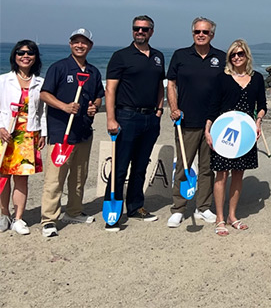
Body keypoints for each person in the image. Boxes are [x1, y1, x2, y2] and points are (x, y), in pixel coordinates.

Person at [39, 29, 104, 238]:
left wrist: (94, 106)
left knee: (78, 177)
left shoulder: (93, 72)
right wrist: (64, 107)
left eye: (84, 43)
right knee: (55, 177)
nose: (80, 45)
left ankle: (74, 211)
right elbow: (44, 94)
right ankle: (49, 219)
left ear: (90, 46)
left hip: (83, 132)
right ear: (70, 44)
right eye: (76, 42)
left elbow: (98, 97)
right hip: (61, 133)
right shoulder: (59, 68)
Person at [104, 15, 165, 231]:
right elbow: (110, 89)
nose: (140, 32)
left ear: (151, 31)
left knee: (140, 166)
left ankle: (136, 206)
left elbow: (160, 85)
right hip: (126, 117)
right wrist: (110, 118)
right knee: (120, 167)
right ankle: (113, 213)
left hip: (150, 118)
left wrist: (159, 110)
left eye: (144, 29)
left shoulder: (158, 57)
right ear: (132, 31)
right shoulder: (120, 56)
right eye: (136, 29)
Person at [165, 17, 226, 228]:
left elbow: (228, 87)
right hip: (186, 121)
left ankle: (203, 207)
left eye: (205, 32)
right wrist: (173, 108)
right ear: (193, 33)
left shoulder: (221, 57)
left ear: (212, 35)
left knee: (207, 168)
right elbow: (171, 84)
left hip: (213, 124)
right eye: (197, 31)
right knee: (183, 165)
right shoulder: (181, 55)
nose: (201, 35)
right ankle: (178, 208)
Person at [205, 40, 267, 236]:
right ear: (229, 58)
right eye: (233, 54)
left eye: (240, 54)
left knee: (238, 174)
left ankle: (232, 216)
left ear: (246, 55)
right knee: (221, 174)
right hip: (223, 132)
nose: (237, 57)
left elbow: (262, 104)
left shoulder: (256, 78)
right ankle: (219, 218)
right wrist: (208, 130)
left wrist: (258, 122)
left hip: (246, 134)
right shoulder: (221, 78)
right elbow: (213, 106)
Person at [0, 40, 47, 235]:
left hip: (27, 136)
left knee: (21, 179)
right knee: (3, 177)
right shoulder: (3, 80)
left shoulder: (40, 83)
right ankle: (4, 215)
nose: (25, 56)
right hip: (4, 135)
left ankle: (18, 218)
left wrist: (43, 132)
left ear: (35, 57)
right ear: (15, 56)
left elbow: (43, 112)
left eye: (29, 53)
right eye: (20, 52)